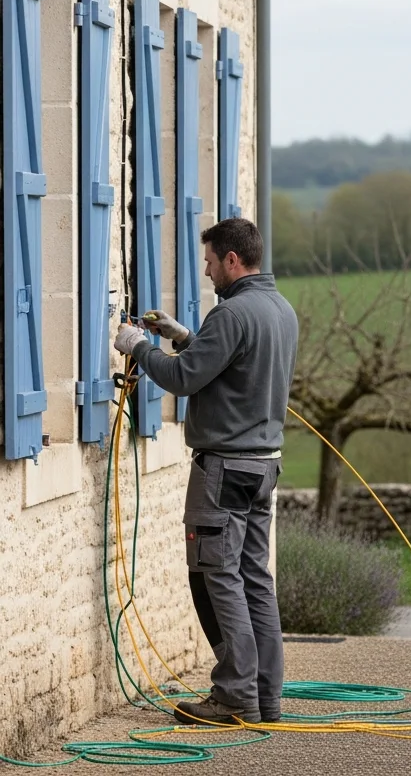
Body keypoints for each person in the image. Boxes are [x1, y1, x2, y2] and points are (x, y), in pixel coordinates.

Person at [113, 218, 298, 727]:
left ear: (232, 261)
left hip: (223, 470)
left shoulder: (233, 312)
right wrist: (185, 335)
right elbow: (232, 365)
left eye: (211, 261)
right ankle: (265, 698)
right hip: (264, 468)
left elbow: (184, 378)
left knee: (219, 576)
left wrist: (138, 345)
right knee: (256, 580)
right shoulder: (280, 310)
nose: (208, 270)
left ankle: (233, 695)